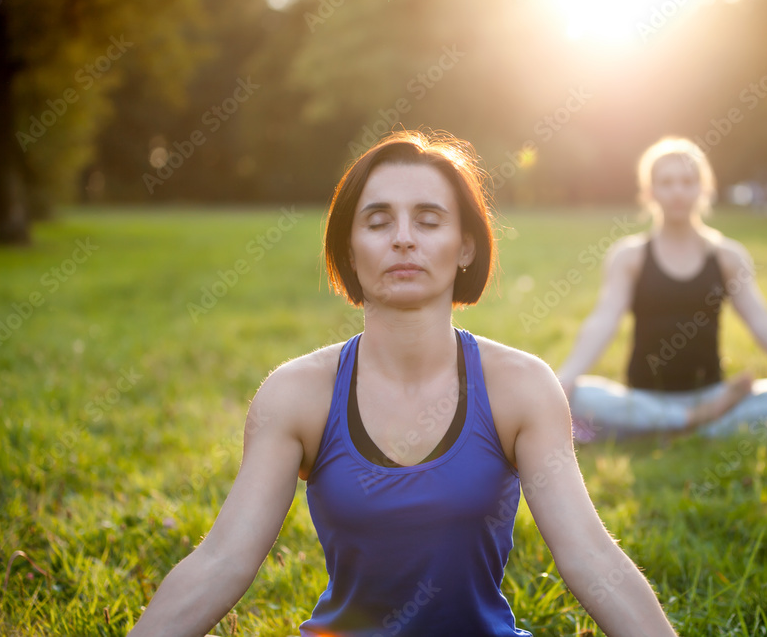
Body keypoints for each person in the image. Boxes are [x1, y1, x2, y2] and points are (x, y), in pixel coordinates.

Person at [127, 130, 677, 637]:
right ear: (348, 249)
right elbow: (223, 561)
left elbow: (590, 557)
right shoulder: (295, 394)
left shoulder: (522, 387)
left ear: (465, 247)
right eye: (378, 220)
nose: (404, 239)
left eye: (430, 219)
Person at [556, 137, 767, 441]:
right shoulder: (629, 256)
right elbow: (604, 320)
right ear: (649, 192)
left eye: (687, 181)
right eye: (666, 183)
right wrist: (567, 377)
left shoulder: (727, 257)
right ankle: (694, 425)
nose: (678, 191)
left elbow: (762, 322)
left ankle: (667, 428)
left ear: (704, 188)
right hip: (644, 397)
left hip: (712, 394)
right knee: (581, 395)